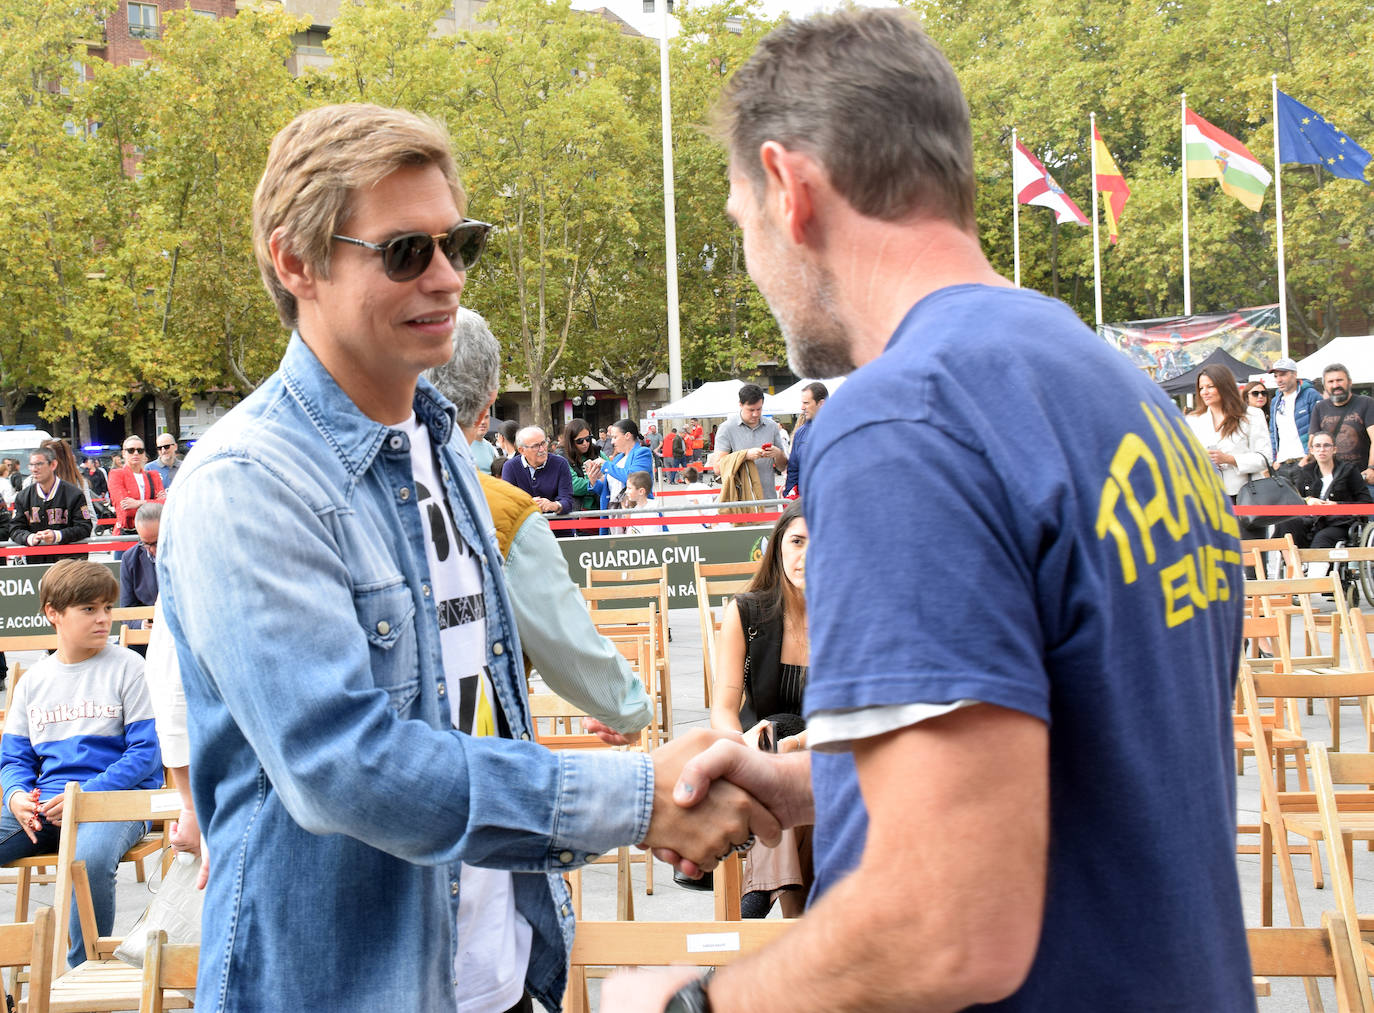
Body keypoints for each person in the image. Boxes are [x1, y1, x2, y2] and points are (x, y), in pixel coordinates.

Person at [604, 10, 1252, 1011]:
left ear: (790, 187)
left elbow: (949, 926)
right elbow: (1080, 753)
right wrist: (824, 781)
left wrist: (693, 1001)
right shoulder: (1103, 381)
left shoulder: (897, 419)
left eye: (741, 222)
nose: (755, 261)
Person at [157, 102, 776, 1013]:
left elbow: (480, 718)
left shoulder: (440, 442)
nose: (447, 278)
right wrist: (640, 796)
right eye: (407, 251)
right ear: (298, 263)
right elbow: (347, 767)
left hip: (496, 976)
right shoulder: (246, 483)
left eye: (461, 244)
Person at [426, 317, 654, 743]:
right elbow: (567, 644)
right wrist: (630, 712)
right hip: (474, 762)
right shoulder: (503, 509)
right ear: (487, 406)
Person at [0, 560, 163, 967]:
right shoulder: (34, 681)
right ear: (53, 613)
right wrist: (15, 795)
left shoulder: (130, 667)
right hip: (45, 806)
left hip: (116, 804)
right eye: (89, 609)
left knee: (87, 861)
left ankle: (85, 972)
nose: (103, 618)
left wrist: (85, 795)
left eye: (107, 607)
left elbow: (146, 755)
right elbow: (14, 759)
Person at [709, 500, 813, 919]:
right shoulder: (748, 612)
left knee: (794, 754)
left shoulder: (851, 616)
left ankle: (753, 909)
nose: (807, 556)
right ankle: (797, 928)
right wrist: (739, 743)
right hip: (762, 755)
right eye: (798, 541)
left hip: (831, 751)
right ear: (779, 546)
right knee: (774, 740)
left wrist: (802, 742)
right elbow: (723, 707)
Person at [1272, 431, 1373, 568]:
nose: (1322, 449)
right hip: (1311, 520)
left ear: (1334, 449)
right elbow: (1294, 499)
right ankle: (1295, 571)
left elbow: (1366, 503)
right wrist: (1308, 501)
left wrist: (1337, 505)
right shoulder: (1306, 471)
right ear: (1312, 450)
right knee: (1286, 525)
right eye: (1317, 446)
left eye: (1326, 446)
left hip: (1338, 522)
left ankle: (1318, 583)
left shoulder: (1349, 471)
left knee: (1322, 538)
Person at [1184, 363, 1271, 501]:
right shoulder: (1193, 420)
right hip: (1207, 495)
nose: (1204, 392)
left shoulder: (1252, 415)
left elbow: (1265, 458)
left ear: (1225, 386)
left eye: (1210, 386)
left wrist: (1229, 459)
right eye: (1201, 388)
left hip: (1245, 496)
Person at [10, 446, 92, 559]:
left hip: (68, 563)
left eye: (39, 464)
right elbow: (15, 529)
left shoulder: (74, 494)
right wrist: (30, 538)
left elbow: (85, 527)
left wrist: (57, 535)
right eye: (31, 465)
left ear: (53, 465)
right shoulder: (23, 496)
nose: (34, 469)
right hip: (36, 563)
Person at [710, 384, 788, 494]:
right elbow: (718, 468)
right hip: (739, 501)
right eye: (751, 410)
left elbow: (782, 467)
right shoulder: (726, 428)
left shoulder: (772, 426)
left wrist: (778, 453)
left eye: (759, 409)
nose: (756, 414)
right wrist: (745, 455)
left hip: (767, 499)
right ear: (740, 405)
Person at [1310, 363, 1374, 491]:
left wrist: (1372, 468)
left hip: (1363, 478)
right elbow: (1313, 443)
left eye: (1339, 380)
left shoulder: (1366, 403)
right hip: (1332, 481)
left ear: (1349, 382)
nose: (1335, 385)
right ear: (1325, 386)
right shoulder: (1319, 407)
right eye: (1331, 381)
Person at [500, 425, 574, 528]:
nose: (542, 449)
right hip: (525, 530)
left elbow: (568, 500)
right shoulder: (510, 467)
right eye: (535, 446)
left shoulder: (560, 463)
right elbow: (508, 503)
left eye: (543, 443)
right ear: (521, 450)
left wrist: (553, 505)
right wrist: (528, 504)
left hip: (558, 529)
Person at [587, 418, 654, 515]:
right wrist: (593, 480)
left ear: (627, 436)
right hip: (614, 515)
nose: (612, 442)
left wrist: (605, 464)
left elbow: (632, 478)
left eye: (615, 437)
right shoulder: (618, 458)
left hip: (637, 514)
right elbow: (606, 490)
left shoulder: (642, 453)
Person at [1266, 357, 1321, 472]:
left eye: (1283, 375)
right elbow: (1273, 432)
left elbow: (1320, 427)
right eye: (1276, 376)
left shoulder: (1310, 394)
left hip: (1305, 460)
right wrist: (1275, 459)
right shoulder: (1276, 401)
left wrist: (1310, 455)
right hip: (1282, 464)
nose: (1278, 380)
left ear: (1294, 374)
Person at [118, 503, 161, 642]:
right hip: (147, 635)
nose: (152, 550)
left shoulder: (188, 554)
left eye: (157, 542)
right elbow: (126, 612)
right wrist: (143, 624)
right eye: (145, 543)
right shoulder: (130, 559)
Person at [107, 436, 165, 535]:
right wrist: (154, 503)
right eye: (131, 450)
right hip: (127, 534)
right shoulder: (116, 474)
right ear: (123, 454)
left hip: (152, 533)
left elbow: (164, 506)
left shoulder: (153, 475)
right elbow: (126, 511)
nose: (136, 453)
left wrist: (138, 503)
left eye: (140, 450)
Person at [782, 382, 827, 497]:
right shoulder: (800, 433)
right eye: (802, 403)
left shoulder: (842, 430)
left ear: (821, 403)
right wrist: (788, 496)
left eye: (806, 403)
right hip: (806, 502)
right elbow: (793, 470)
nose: (802, 407)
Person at [558, 418, 603, 528]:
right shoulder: (561, 457)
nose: (585, 443)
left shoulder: (597, 452)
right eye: (580, 441)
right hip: (578, 511)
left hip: (601, 508)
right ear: (570, 441)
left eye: (588, 439)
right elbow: (573, 484)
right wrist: (593, 483)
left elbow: (611, 473)